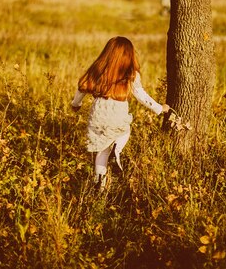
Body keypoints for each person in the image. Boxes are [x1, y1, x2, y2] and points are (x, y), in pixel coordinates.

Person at [71, 36, 169, 190]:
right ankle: (117, 150)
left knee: (102, 150)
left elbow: (81, 88)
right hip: (118, 112)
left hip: (98, 113)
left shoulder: (97, 69)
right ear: (129, 55)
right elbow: (141, 95)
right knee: (124, 131)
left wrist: (76, 104)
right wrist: (158, 108)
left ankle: (100, 184)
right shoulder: (131, 74)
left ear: (107, 53)